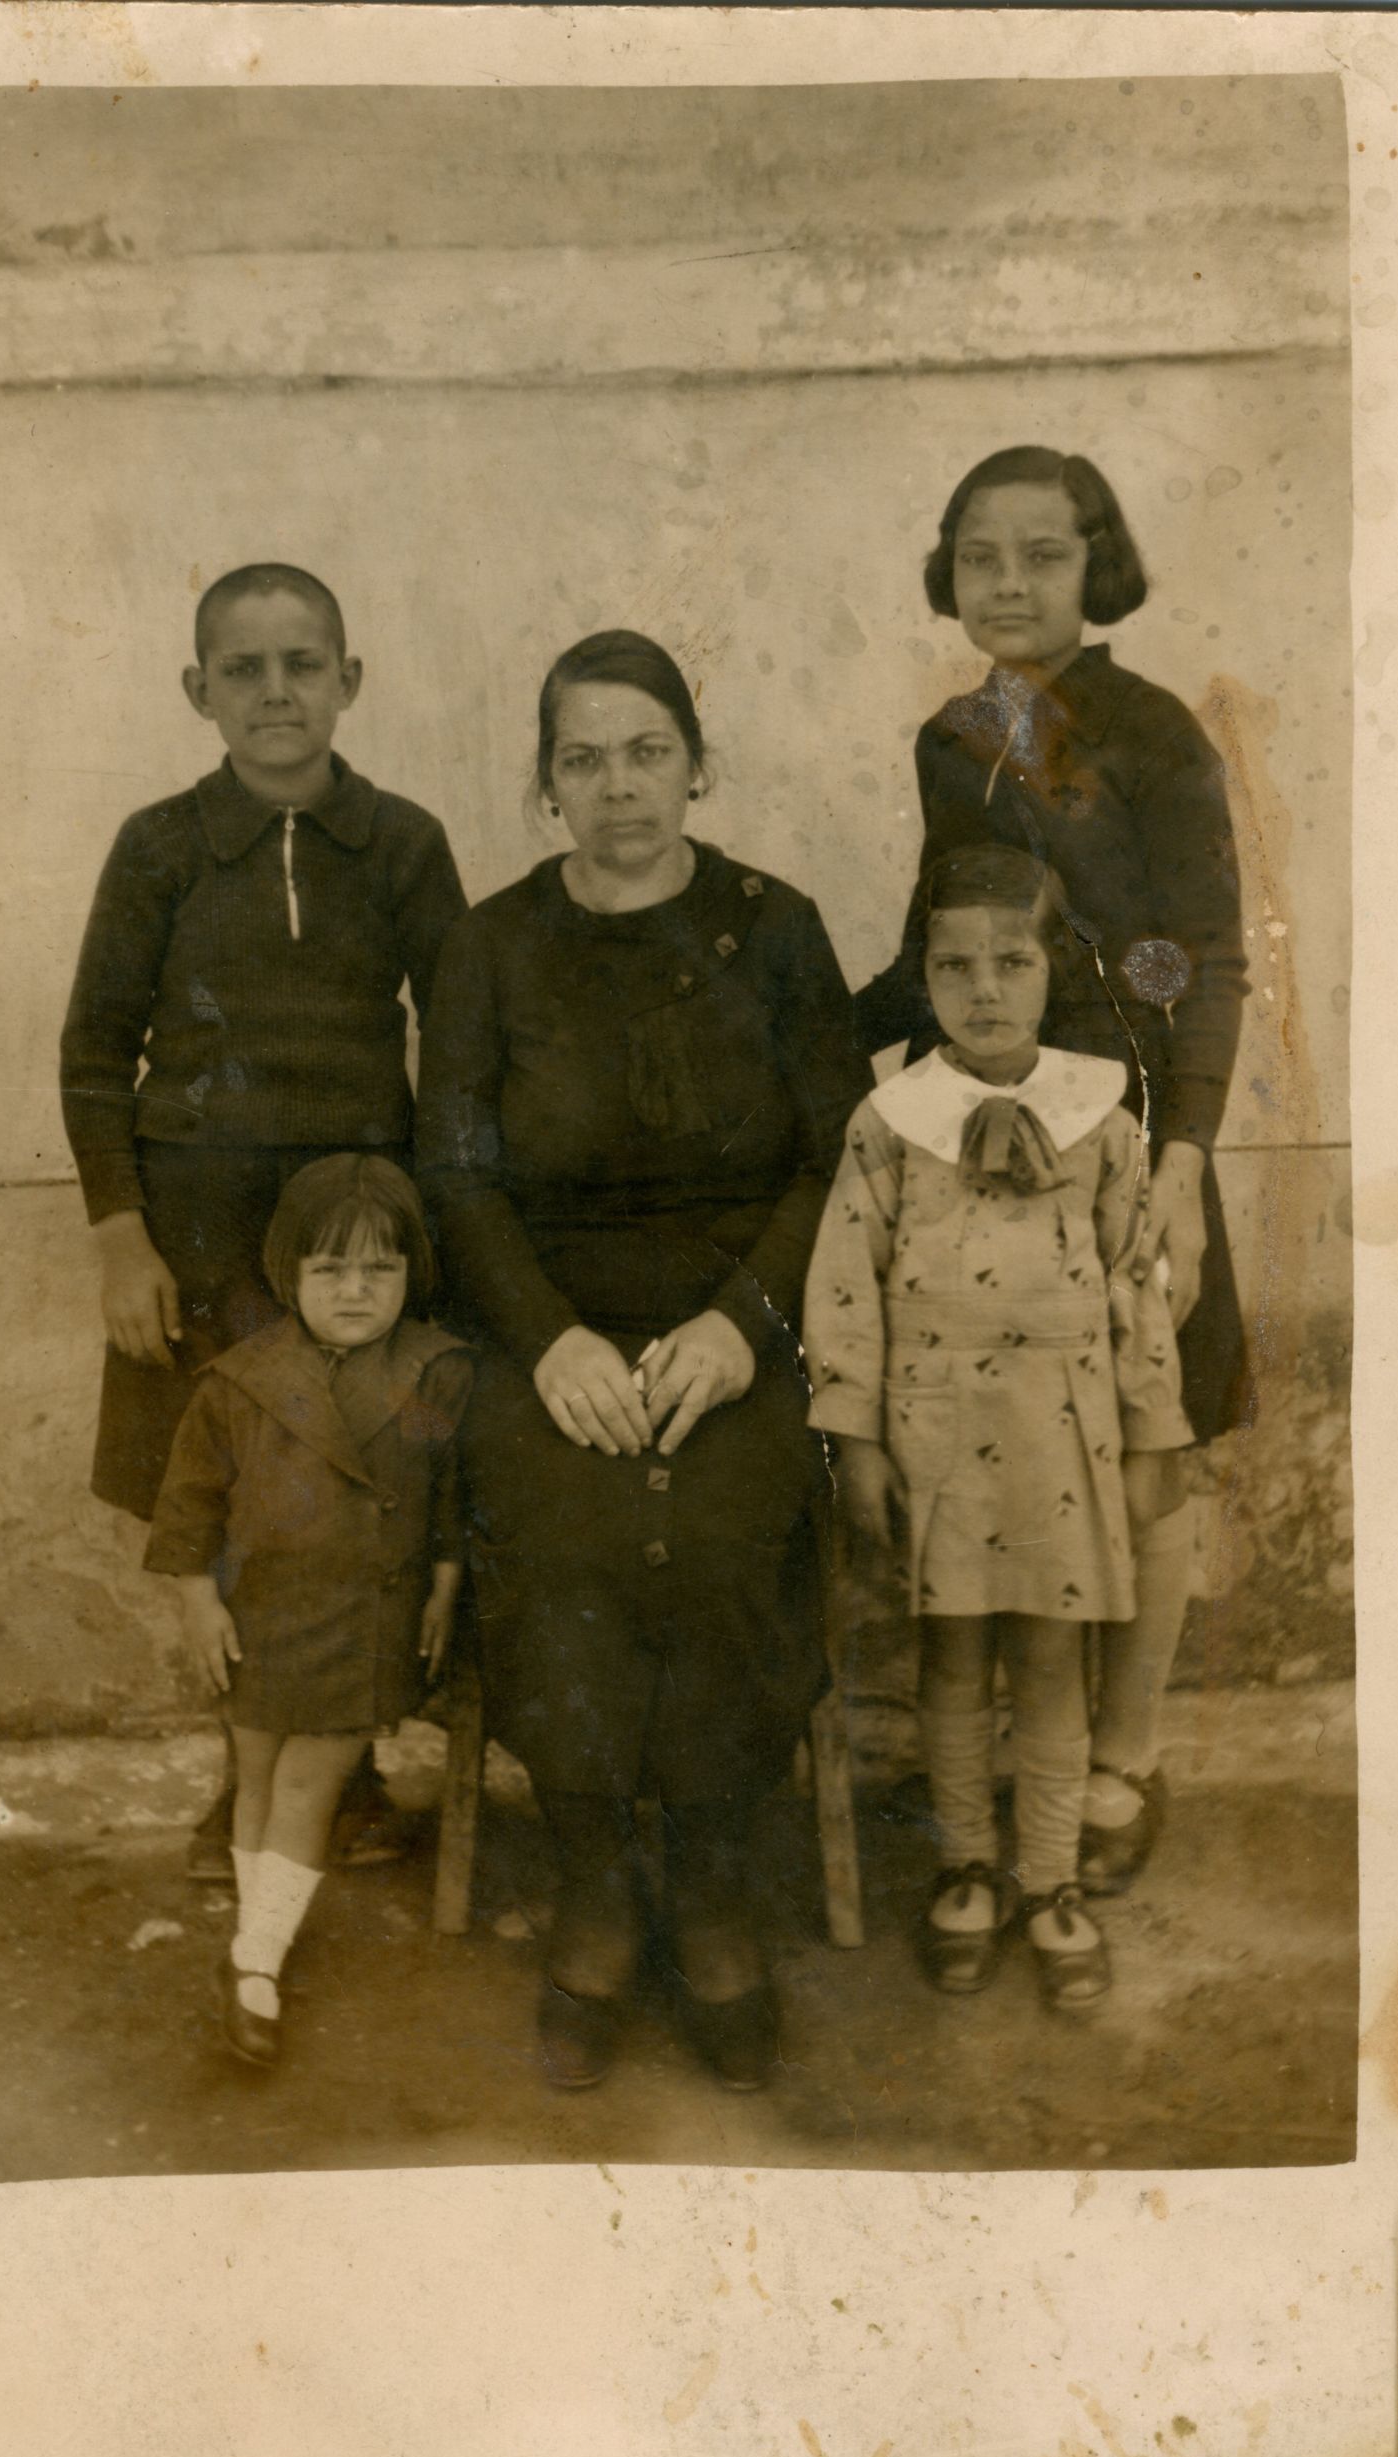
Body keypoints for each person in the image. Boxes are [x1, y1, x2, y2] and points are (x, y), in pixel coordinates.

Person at [416, 630, 871, 2095]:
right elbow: (461, 1176)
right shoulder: (490, 945)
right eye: (583, 759)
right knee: (562, 1529)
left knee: (734, 1520)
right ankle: (602, 1888)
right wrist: (544, 1342)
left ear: (699, 762)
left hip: (739, 1336)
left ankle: (721, 1884)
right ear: (546, 787)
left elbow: (831, 1162)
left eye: (647, 752)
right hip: (550, 1337)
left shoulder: (776, 926)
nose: (619, 788)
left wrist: (747, 1328)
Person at [853, 449, 1250, 1892]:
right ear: (949, 574)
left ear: (1100, 567)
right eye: (979, 557)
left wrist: (1187, 1161)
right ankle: (1004, 1760)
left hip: (1136, 1123)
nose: (1009, 583)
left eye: (1042, 554)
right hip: (988, 1122)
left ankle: (1121, 1761)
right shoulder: (955, 738)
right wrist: (803, 1049)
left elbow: (1195, 959)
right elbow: (937, 942)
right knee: (1009, 1431)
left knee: (1149, 1442)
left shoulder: (1156, 738)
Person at [58, 561, 467, 1872]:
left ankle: (342, 1774)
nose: (276, 691)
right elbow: (91, 1050)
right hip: (201, 1225)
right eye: (244, 668)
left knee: (357, 1488)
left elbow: (457, 1040)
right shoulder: (159, 847)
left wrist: (432, 1230)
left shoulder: (402, 843)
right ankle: (244, 1778)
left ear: (349, 682)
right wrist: (119, 1232)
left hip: (358, 1229)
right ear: (200, 692)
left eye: (303, 665)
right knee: (229, 1496)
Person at [806, 844, 1193, 2007]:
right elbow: (842, 1284)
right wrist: (859, 1438)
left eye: (1011, 962)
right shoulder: (890, 1123)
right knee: (955, 1658)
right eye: (955, 965)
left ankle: (1051, 1877)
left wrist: (1150, 1435)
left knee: (1053, 1664)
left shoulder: (1101, 1119)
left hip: (1062, 1437)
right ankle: (966, 1863)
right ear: (922, 977)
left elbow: (1137, 1279)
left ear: (1050, 972)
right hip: (936, 1435)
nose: (984, 989)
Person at [143, 1155, 472, 2066]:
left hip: (366, 1622)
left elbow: (450, 1501)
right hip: (261, 1618)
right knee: (255, 1780)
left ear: (414, 1273)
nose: (357, 1292)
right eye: (330, 1271)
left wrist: (442, 1591)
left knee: (305, 1785)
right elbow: (190, 1507)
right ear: (289, 1274)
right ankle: (259, 1941)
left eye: (381, 1270)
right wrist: (199, 1604)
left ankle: (256, 1962)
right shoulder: (239, 1382)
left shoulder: (433, 1372)